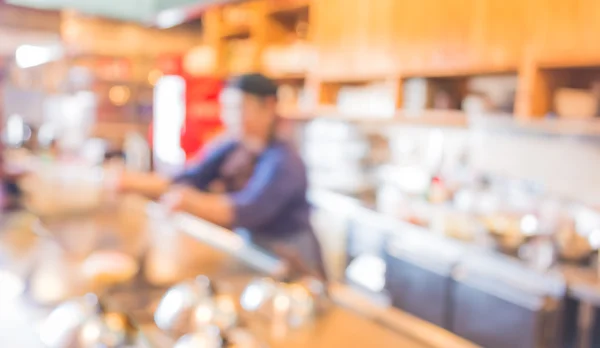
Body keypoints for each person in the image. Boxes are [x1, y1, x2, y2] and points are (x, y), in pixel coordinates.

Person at [118, 73, 327, 281]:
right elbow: (189, 176)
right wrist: (131, 182)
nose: (229, 117)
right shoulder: (233, 144)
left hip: (291, 257)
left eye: (238, 108)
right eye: (226, 108)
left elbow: (246, 209)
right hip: (253, 248)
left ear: (269, 106)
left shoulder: (284, 160)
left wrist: (189, 201)